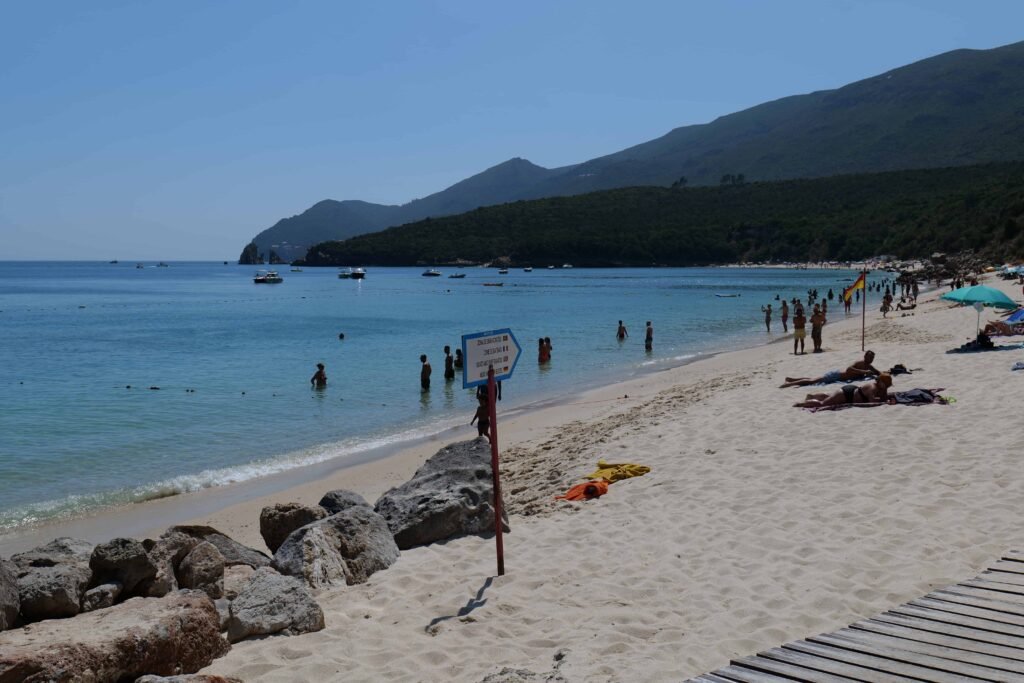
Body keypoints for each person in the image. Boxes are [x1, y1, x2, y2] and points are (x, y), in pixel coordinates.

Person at [779, 350, 882, 387]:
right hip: (836, 375)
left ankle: (792, 379)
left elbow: (878, 372)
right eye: (869, 357)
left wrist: (884, 374)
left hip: (837, 377)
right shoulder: (860, 363)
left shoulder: (869, 366)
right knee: (812, 381)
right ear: (865, 357)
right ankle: (790, 384)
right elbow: (848, 369)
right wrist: (864, 372)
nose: (871, 359)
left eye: (872, 358)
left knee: (814, 378)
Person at [794, 373, 892, 408]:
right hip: (847, 394)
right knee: (823, 404)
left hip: (851, 392)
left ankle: (812, 396)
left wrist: (885, 391)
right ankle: (801, 403)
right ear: (881, 382)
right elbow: (872, 401)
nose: (887, 386)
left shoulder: (879, 387)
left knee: (830, 396)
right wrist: (884, 401)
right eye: (886, 385)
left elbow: (882, 397)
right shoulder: (873, 388)